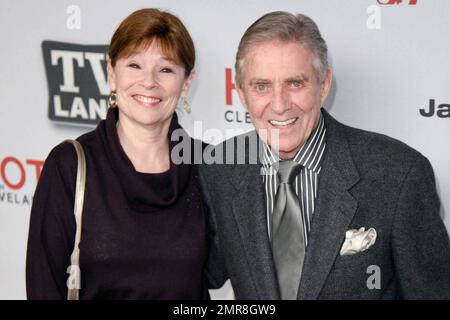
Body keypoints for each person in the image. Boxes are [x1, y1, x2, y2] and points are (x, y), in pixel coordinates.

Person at [199, 11, 450, 299]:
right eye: (262, 86)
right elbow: (197, 271)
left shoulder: (398, 173)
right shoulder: (220, 168)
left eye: (295, 83)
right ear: (242, 93)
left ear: (324, 84)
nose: (279, 105)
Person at [26, 8, 208, 299]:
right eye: (134, 65)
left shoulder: (208, 166)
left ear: (186, 82)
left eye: (166, 69)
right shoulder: (69, 165)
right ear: (111, 73)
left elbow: (228, 269)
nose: (149, 81)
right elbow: (43, 285)